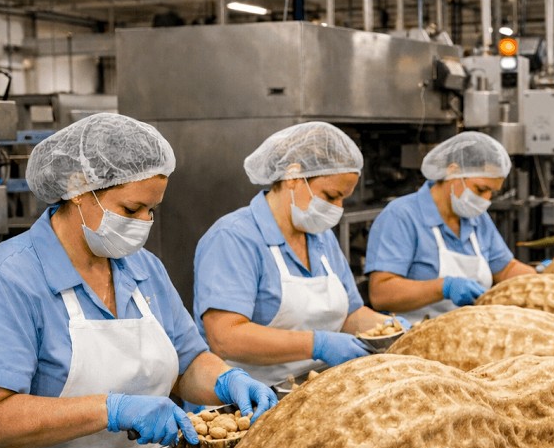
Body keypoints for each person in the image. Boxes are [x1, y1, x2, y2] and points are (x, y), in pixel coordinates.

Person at [0, 113, 277, 448]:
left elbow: (188, 362)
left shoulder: (142, 267)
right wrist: (111, 410)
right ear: (78, 188)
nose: (144, 222)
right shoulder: (7, 279)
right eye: (132, 208)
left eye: (152, 210)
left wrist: (227, 380)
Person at [193, 122, 404, 385]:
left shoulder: (321, 237)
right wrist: (317, 344)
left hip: (318, 385)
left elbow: (351, 315)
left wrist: (394, 329)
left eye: (343, 199)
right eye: (331, 196)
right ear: (293, 177)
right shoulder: (233, 238)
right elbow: (225, 338)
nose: (338, 208)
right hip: (255, 394)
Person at [364, 131, 536, 324]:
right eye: (481, 189)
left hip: (472, 330)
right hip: (416, 333)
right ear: (453, 171)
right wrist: (444, 287)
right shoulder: (402, 216)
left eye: (492, 193)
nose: (486, 199)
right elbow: (381, 294)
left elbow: (505, 269)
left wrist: (543, 277)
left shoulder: (477, 218)